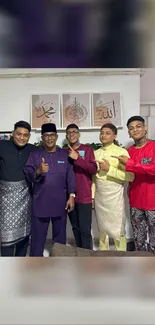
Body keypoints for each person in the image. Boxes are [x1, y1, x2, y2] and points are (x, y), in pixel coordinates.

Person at [24, 123, 76, 256]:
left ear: (57, 137)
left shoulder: (64, 154)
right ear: (42, 138)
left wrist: (71, 196)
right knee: (37, 237)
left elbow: (70, 176)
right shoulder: (35, 155)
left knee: (60, 237)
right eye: (46, 136)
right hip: (40, 201)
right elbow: (28, 173)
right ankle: (35, 264)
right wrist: (39, 171)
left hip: (60, 202)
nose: (49, 138)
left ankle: (59, 263)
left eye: (52, 135)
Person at [113, 116, 155, 253]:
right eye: (131, 128)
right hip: (135, 202)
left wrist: (131, 164)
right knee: (139, 238)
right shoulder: (128, 152)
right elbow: (125, 175)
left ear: (145, 128)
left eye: (138, 126)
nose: (135, 130)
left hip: (153, 203)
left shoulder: (153, 147)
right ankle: (140, 267)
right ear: (129, 133)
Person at [92, 123, 134, 251]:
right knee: (102, 227)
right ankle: (103, 256)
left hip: (114, 194)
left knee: (117, 227)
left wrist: (109, 169)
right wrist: (92, 197)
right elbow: (93, 178)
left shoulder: (121, 152)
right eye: (102, 133)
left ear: (114, 136)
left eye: (107, 133)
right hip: (100, 195)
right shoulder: (95, 153)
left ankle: (121, 257)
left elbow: (130, 176)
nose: (103, 135)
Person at [0, 120, 37, 256]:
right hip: (4, 197)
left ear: (29, 137)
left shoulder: (33, 150)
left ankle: (20, 264)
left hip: (25, 196)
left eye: (25, 135)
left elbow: (50, 155)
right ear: (13, 133)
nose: (22, 138)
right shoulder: (2, 146)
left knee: (24, 232)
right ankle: (7, 267)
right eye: (19, 134)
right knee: (5, 235)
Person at [66, 124, 97, 250]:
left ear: (79, 134)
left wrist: (78, 158)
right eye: (68, 132)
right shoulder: (64, 152)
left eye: (74, 132)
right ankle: (79, 253)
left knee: (85, 229)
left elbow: (93, 169)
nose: (71, 134)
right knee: (75, 227)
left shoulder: (87, 150)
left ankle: (87, 257)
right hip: (69, 196)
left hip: (84, 196)